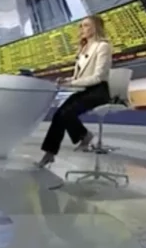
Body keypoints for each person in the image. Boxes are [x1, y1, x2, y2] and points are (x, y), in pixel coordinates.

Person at [38, 15, 114, 168]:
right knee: (58, 115)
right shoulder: (83, 48)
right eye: (81, 25)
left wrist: (72, 83)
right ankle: (49, 153)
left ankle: (84, 136)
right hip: (84, 90)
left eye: (86, 25)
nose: (82, 29)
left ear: (96, 27)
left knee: (66, 113)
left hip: (98, 91)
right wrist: (66, 81)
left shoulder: (103, 46)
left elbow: (98, 77)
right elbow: (78, 76)